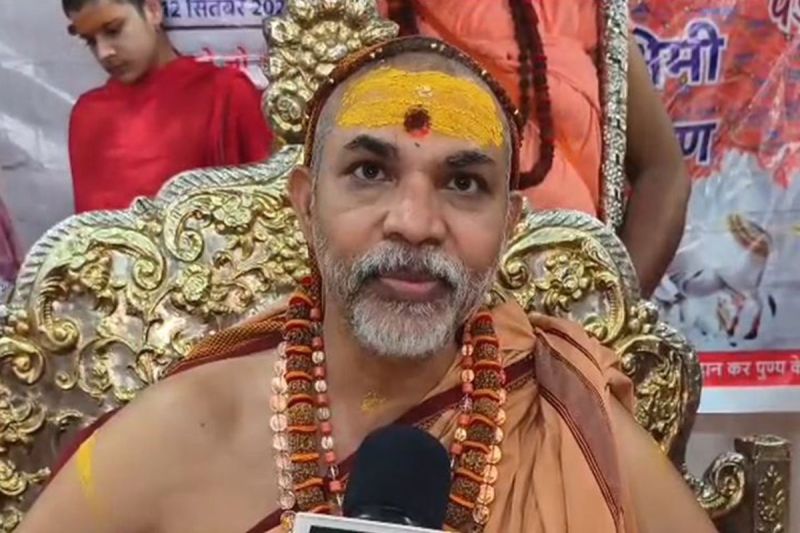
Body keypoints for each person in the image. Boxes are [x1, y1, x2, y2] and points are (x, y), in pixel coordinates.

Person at [18, 36, 715, 533]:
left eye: (464, 183)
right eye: (370, 172)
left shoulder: (568, 419)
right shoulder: (180, 433)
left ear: (508, 226)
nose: (414, 223)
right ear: (305, 204)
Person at [380, 0, 690, 297]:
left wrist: (610, 313)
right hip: (409, 298)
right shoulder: (363, 16)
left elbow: (664, 172)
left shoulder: (580, 9)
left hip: (567, 307)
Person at [64, 0, 274, 213]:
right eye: (90, 41)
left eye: (113, 30)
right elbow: (87, 227)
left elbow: (271, 209)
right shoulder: (89, 116)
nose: (104, 52)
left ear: (153, 10)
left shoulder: (226, 94)